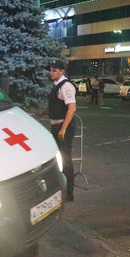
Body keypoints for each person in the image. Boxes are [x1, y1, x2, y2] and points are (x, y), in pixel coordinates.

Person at [37, 60, 77, 201]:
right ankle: (60, 187)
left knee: (66, 160)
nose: (51, 72)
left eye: (54, 70)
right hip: (56, 126)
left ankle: (69, 193)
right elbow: (57, 103)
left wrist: (63, 129)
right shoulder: (57, 85)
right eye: (51, 70)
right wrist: (45, 111)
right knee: (58, 158)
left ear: (61, 71)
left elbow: (72, 108)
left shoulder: (66, 86)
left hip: (63, 127)